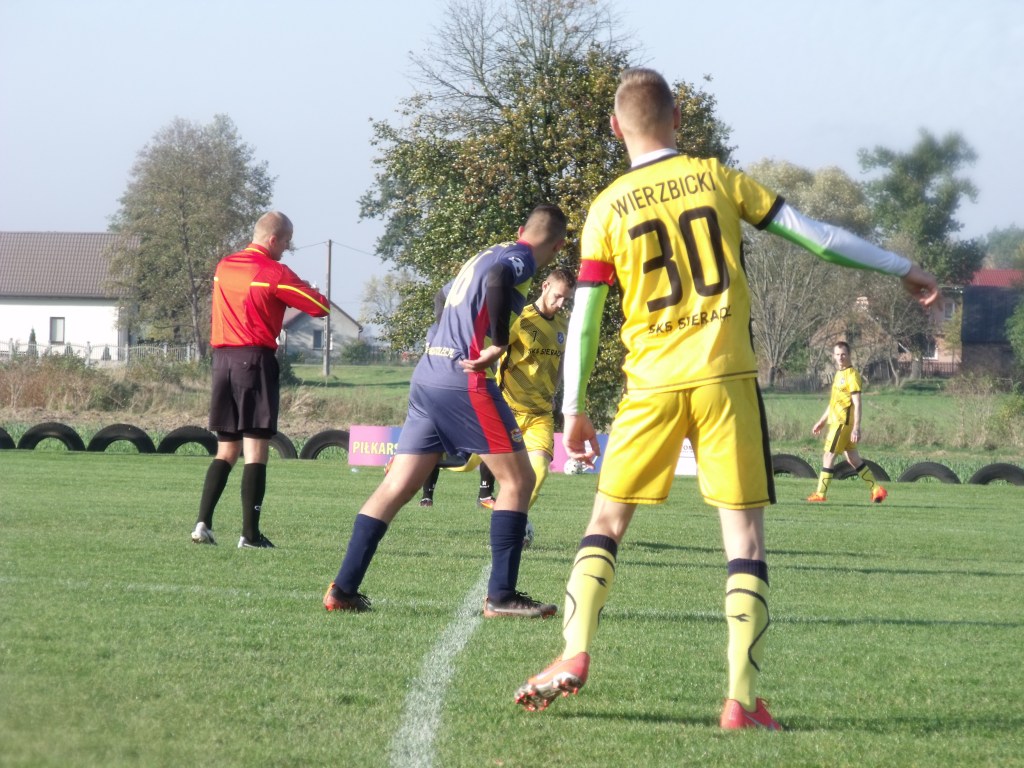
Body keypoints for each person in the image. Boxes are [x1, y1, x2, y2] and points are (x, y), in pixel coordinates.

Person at [512, 69, 939, 728]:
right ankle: (741, 700)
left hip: (649, 385)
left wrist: (573, 409)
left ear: (615, 127)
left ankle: (574, 653)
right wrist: (901, 266)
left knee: (606, 523)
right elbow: (817, 236)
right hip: (726, 381)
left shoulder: (608, 208)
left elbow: (587, 321)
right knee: (745, 540)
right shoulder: (718, 179)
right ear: (677, 117)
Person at [323, 204, 568, 618]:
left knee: (397, 486)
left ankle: (343, 589)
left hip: (428, 374)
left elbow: (442, 295)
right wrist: (497, 343)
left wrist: (440, 341)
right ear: (558, 245)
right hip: (463, 379)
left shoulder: (488, 252)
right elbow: (498, 278)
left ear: (521, 228)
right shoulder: (521, 258)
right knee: (519, 480)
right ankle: (501, 597)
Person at [190, 211, 329, 549]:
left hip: (221, 362)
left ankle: (202, 523)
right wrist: (308, 289)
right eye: (286, 242)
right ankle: (250, 535)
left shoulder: (224, 266)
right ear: (273, 240)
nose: (287, 249)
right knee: (256, 450)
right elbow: (319, 307)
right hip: (254, 361)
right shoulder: (273, 272)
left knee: (226, 449)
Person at [807, 341, 887, 503]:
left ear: (849, 355)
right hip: (837, 422)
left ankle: (820, 494)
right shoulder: (839, 374)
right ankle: (876, 490)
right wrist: (822, 421)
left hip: (842, 423)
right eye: (837, 354)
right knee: (853, 458)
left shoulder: (852, 375)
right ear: (833, 356)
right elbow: (834, 403)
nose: (840, 357)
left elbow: (857, 403)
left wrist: (856, 427)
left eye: (843, 354)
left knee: (828, 455)